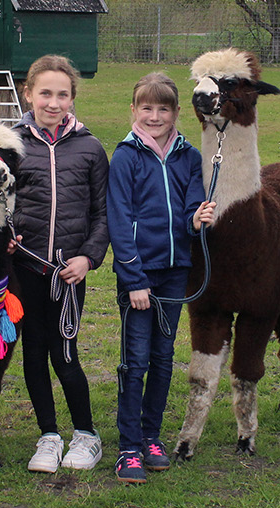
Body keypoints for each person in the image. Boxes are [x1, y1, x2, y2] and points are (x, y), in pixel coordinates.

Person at [106, 73, 216, 484]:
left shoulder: (188, 156)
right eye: (147, 108)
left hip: (174, 275)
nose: (155, 116)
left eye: (163, 109)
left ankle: (151, 437)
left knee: (163, 358)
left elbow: (190, 207)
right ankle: (128, 446)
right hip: (139, 275)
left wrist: (196, 218)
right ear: (134, 110)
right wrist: (134, 280)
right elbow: (119, 221)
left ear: (175, 113)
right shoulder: (126, 157)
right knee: (134, 360)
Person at [11, 54, 110, 473]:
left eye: (63, 94)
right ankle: (48, 435)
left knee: (64, 353)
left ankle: (86, 435)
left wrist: (88, 258)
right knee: (33, 352)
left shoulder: (89, 148)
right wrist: (5, 237)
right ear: (28, 93)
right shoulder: (9, 143)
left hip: (68, 275)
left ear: (73, 98)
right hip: (26, 270)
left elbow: (103, 214)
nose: (53, 103)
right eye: (45, 93)